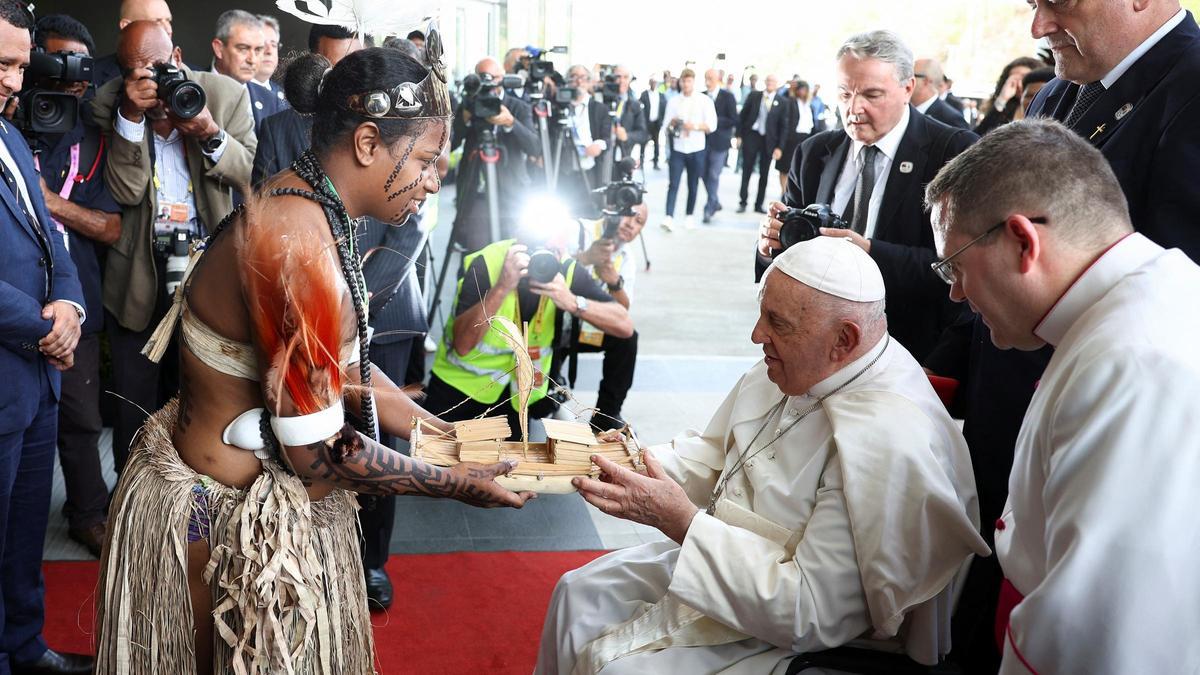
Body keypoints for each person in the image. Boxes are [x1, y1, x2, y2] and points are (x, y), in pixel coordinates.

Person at [94, 37, 538, 673]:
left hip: (253, 507)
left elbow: (349, 372)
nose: (435, 180)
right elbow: (321, 454)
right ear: (366, 143)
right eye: (426, 159)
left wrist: (449, 435)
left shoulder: (314, 208)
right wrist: (454, 483)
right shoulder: (294, 243)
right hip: (215, 525)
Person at [537, 236, 988, 674]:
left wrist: (680, 521)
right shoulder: (801, 362)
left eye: (778, 323)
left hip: (787, 622)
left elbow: (813, 611)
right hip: (721, 556)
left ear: (844, 340)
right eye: (761, 314)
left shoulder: (891, 439)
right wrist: (620, 462)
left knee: (620, 668)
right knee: (577, 591)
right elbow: (714, 455)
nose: (757, 336)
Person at [923, 3, 1200, 670]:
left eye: (1059, 2)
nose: (1038, 26)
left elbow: (1104, 629)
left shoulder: (1190, 90)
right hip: (1021, 428)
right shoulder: (1060, 89)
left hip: (1110, 421)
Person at [91, 22, 257, 476]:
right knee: (134, 407)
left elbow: (249, 175)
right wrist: (130, 116)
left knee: (202, 403)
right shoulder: (111, 102)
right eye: (136, 72)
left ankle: (196, 512)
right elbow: (125, 192)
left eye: (159, 68)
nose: (152, 83)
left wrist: (207, 131)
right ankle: (132, 505)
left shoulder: (224, 95)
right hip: (137, 276)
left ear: (179, 57)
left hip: (209, 274)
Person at [756, 30, 977, 364]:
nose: (854, 108)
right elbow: (785, 257)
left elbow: (964, 267)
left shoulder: (953, 151)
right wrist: (769, 245)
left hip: (909, 353)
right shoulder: (814, 153)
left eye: (872, 95)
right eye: (844, 94)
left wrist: (869, 253)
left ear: (908, 89)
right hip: (815, 352)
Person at [0, 4, 93, 673]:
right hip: (13, 367)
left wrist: (71, 308)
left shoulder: (9, 137)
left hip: (35, 383)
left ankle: (24, 648)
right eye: (3, 63)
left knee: (24, 539)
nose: (14, 80)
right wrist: (45, 329)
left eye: (18, 65)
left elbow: (52, 239)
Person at [29, 13, 122, 559]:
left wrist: (51, 202)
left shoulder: (95, 137)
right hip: (14, 295)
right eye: (55, 62)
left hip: (76, 298)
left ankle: (88, 511)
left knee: (82, 419)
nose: (69, 78)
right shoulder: (10, 128)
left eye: (79, 66)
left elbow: (112, 226)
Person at [425, 212, 634, 434]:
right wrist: (503, 286)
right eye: (538, 246)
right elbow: (463, 345)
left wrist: (573, 302)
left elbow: (625, 326)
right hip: (460, 390)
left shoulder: (564, 269)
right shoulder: (489, 261)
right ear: (518, 238)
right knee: (437, 458)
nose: (544, 258)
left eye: (555, 249)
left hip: (517, 398)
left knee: (508, 465)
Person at [564, 203, 647, 428]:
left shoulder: (627, 259)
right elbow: (546, 266)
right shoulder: (578, 230)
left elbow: (622, 314)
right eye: (629, 215)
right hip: (555, 318)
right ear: (612, 210)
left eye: (639, 222)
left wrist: (614, 282)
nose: (631, 224)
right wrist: (585, 257)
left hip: (586, 326)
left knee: (627, 338)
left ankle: (607, 415)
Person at [449, 56, 541, 251]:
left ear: (504, 78)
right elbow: (451, 144)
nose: (488, 84)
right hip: (476, 193)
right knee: (476, 254)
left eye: (492, 78)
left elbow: (534, 148)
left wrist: (511, 123)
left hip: (512, 194)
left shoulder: (518, 107)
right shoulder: (468, 105)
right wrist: (464, 119)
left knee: (514, 252)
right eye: (481, 78)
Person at [660, 69, 715, 232]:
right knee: (673, 183)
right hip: (678, 147)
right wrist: (672, 123)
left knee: (693, 183)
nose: (685, 84)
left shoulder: (704, 101)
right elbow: (664, 126)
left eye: (689, 81)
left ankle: (689, 216)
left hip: (697, 148)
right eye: (683, 81)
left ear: (693, 81)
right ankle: (669, 216)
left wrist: (694, 126)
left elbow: (712, 125)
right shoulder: (673, 101)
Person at [211, 10, 281, 135]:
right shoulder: (192, 84)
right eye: (243, 49)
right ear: (219, 48)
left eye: (258, 50)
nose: (252, 60)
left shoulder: (271, 100)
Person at [558, 65, 611, 218]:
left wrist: (599, 145)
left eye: (583, 78)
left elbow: (607, 138)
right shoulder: (561, 107)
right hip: (564, 171)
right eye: (574, 77)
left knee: (590, 214)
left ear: (589, 82)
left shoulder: (599, 108)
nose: (578, 81)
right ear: (568, 82)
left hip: (589, 170)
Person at [91, 0, 175, 88]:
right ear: (126, 25)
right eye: (157, 21)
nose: (169, 30)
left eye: (168, 20)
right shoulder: (91, 77)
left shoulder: (189, 74)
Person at [735, 73, 780, 214]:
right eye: (768, 80)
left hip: (768, 140)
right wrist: (739, 135)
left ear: (777, 84)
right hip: (752, 136)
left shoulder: (782, 101)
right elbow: (742, 116)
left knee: (764, 173)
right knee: (746, 170)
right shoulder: (754, 96)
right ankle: (743, 201)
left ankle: (758, 204)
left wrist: (779, 146)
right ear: (765, 82)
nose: (770, 83)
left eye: (773, 81)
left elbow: (783, 126)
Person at [766, 78, 818, 196]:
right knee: (785, 168)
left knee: (798, 169)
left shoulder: (810, 106)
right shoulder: (790, 102)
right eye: (800, 89)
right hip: (791, 140)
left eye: (805, 90)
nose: (802, 92)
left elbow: (814, 125)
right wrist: (790, 88)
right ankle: (784, 192)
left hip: (805, 139)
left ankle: (791, 193)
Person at [700, 68, 737, 223]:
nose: (708, 81)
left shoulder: (728, 96)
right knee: (702, 173)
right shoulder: (700, 96)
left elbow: (734, 119)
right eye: (706, 78)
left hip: (720, 142)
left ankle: (709, 208)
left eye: (711, 78)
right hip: (702, 142)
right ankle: (714, 200)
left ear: (717, 79)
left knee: (714, 174)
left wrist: (713, 121)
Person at [972, 56, 1043, 136]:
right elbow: (978, 135)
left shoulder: (1045, 104)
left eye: (1024, 77)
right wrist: (1002, 98)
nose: (1019, 84)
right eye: (1014, 79)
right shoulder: (1004, 108)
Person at [912, 58, 969, 129]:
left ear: (925, 81)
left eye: (911, 75)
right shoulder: (905, 110)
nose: (906, 80)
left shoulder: (952, 120)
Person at [610, 65, 647, 168]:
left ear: (630, 80)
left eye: (625, 77)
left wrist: (627, 136)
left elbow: (643, 134)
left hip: (624, 157)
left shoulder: (635, 104)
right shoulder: (601, 101)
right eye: (618, 77)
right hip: (602, 157)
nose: (621, 81)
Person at [250, 14, 288, 112]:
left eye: (273, 44)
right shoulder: (234, 90)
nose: (269, 51)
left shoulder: (285, 96)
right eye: (262, 44)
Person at [638, 76, 665, 170]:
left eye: (655, 82)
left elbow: (663, 109)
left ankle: (656, 162)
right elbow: (639, 107)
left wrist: (662, 122)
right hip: (646, 122)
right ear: (649, 83)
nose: (653, 84)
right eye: (652, 82)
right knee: (643, 142)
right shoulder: (644, 94)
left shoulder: (661, 95)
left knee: (656, 143)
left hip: (656, 123)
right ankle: (641, 162)